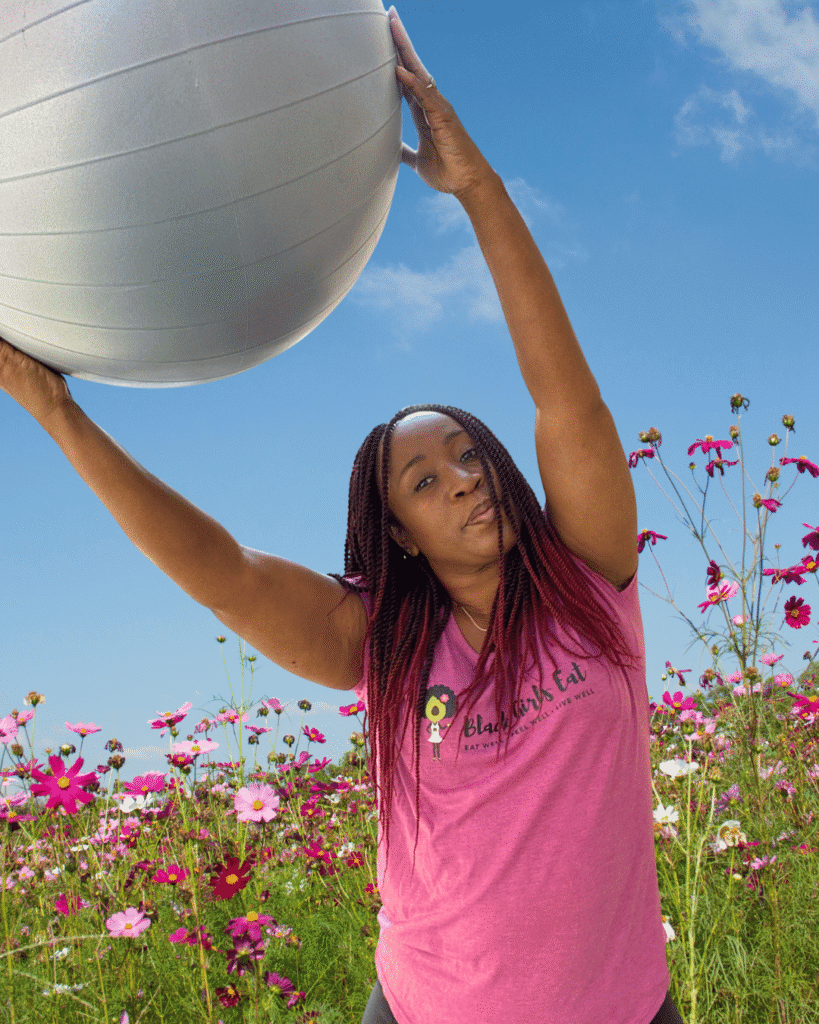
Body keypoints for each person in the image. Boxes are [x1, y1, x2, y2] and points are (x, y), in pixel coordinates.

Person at [0, 8, 683, 1024]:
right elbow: (224, 568)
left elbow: (566, 403)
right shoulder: (384, 645)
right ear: (397, 531)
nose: (458, 477)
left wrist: (478, 190)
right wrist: (60, 415)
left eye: (466, 453)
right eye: (422, 480)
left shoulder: (593, 585)